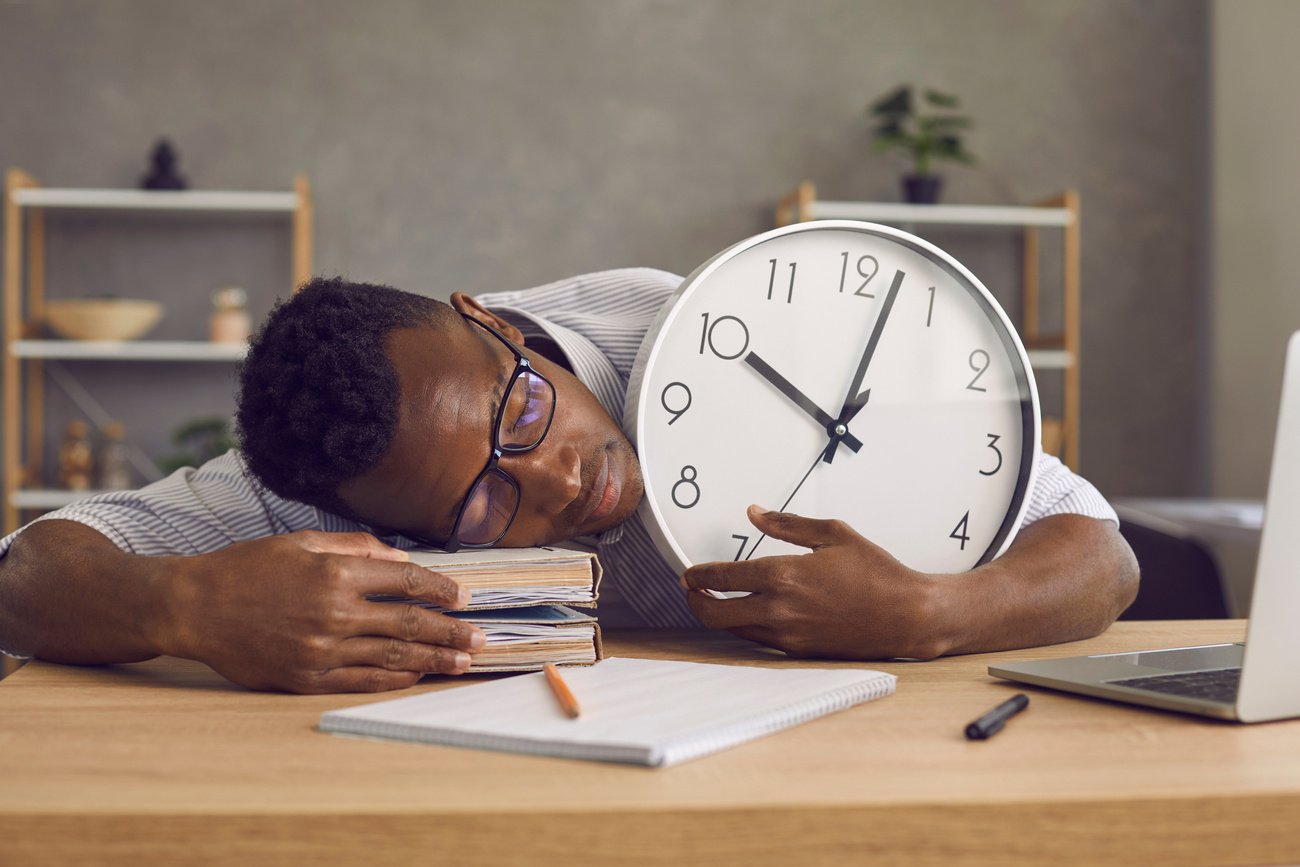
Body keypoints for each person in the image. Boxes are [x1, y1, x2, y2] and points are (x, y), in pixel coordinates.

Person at [0, 269, 1138, 692]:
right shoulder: (319, 478)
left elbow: (1099, 555)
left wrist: (938, 611)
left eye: (525, 410)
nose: (561, 482)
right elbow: (28, 574)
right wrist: (182, 605)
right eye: (486, 508)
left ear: (496, 325)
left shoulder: (703, 329)